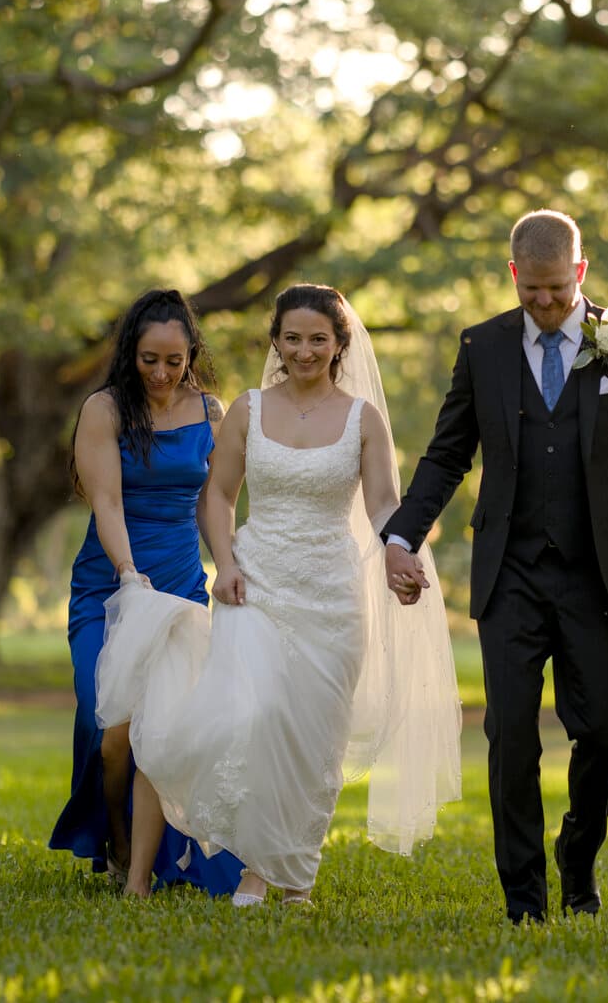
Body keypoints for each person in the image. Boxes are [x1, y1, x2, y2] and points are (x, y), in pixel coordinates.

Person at [91, 284, 461, 907]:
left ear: (340, 344)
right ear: (276, 342)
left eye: (318, 338)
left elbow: (382, 504)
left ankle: (296, 878)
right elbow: (218, 497)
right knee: (254, 720)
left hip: (333, 594)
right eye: (292, 337)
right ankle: (256, 871)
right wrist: (226, 561)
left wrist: (400, 552)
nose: (304, 350)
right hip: (255, 586)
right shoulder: (247, 409)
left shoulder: (362, 419)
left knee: (315, 738)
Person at [381, 209, 608, 924]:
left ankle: (577, 856)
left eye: (558, 290)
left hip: (599, 572)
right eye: (533, 292)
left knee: (606, 727)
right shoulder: (483, 347)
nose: (546, 306)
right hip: (511, 571)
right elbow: (448, 453)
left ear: (578, 274)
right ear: (514, 275)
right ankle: (525, 902)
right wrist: (402, 536)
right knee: (511, 734)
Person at [49, 288, 244, 897]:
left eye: (174, 361)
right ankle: (115, 834)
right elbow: (107, 501)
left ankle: (155, 856)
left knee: (169, 728)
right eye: (149, 360)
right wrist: (130, 575)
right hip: (111, 582)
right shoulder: (104, 410)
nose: (161, 374)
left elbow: (217, 504)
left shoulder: (211, 412)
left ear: (190, 357)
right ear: (130, 354)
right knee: (112, 731)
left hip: (183, 583)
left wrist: (230, 565)